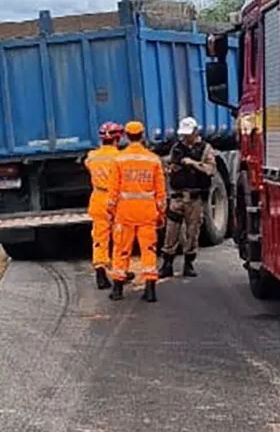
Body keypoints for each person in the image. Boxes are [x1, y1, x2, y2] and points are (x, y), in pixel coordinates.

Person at [106, 120, 167, 302]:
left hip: (125, 214)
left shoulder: (119, 160)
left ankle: (117, 290)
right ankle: (150, 290)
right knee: (148, 250)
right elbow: (161, 192)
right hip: (147, 213)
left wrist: (111, 211)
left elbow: (113, 191)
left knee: (121, 250)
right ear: (142, 135)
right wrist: (161, 213)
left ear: (125, 136)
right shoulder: (153, 160)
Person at [159, 116, 216, 279]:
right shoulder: (177, 148)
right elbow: (168, 164)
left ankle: (189, 263)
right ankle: (167, 263)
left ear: (195, 132)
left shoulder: (205, 149)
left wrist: (192, 163)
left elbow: (211, 170)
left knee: (193, 231)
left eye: (187, 134)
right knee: (171, 231)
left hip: (194, 198)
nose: (185, 137)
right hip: (177, 197)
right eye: (183, 134)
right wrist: (170, 168)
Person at [84, 121, 123, 290]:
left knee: (100, 237)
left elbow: (88, 164)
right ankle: (118, 272)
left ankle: (100, 272)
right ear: (118, 139)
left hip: (98, 198)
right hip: (117, 199)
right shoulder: (120, 157)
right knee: (119, 237)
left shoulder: (92, 156)